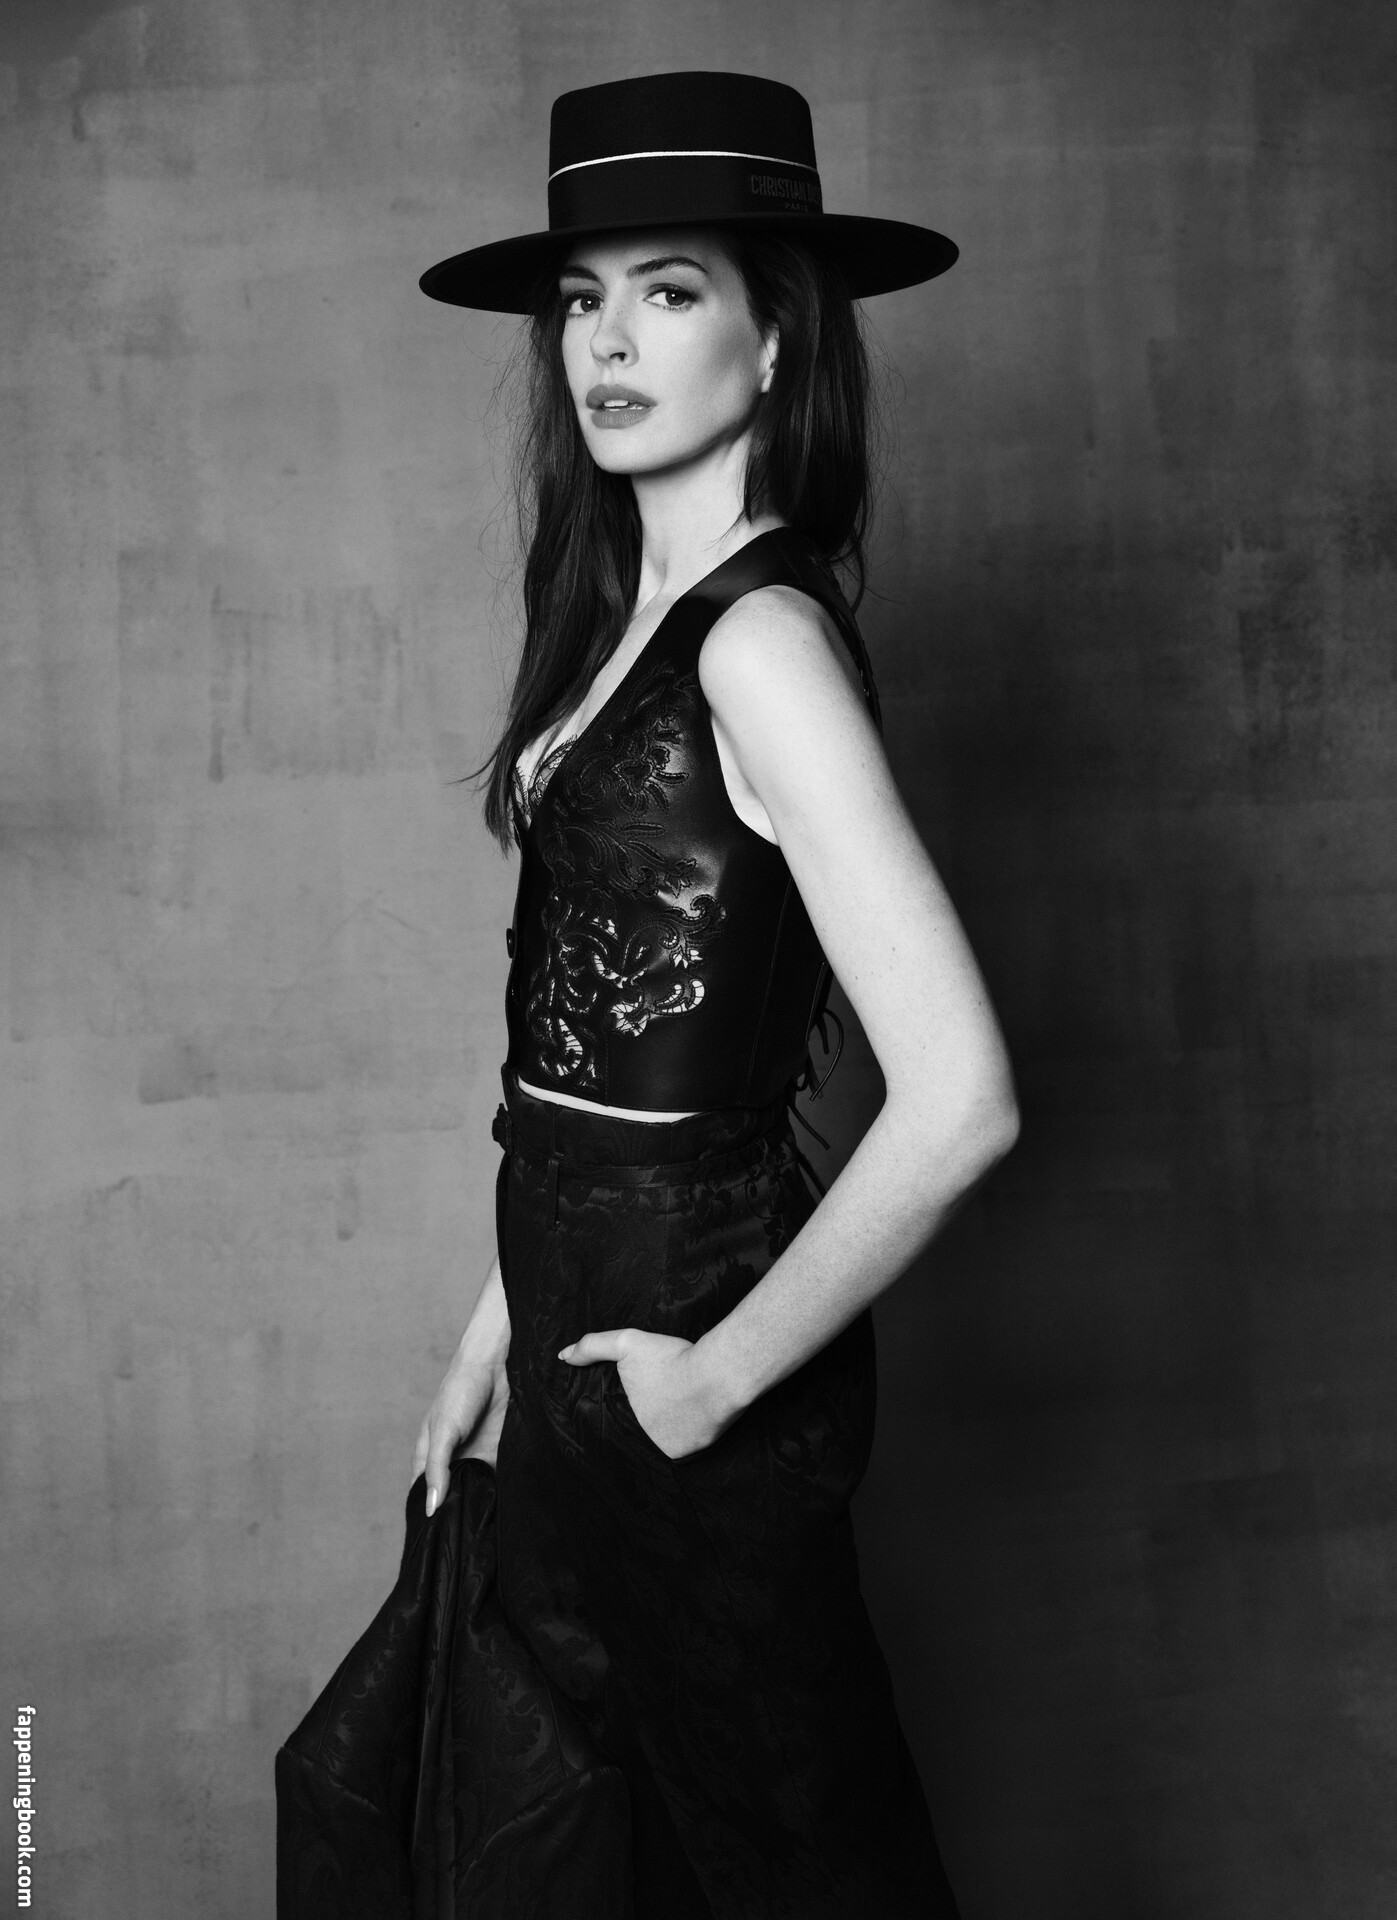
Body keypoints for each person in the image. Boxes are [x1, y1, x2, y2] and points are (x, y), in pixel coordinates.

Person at [284, 70, 1019, 1920]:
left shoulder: (760, 645)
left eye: (668, 291)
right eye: (579, 300)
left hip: (691, 1339)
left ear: (775, 343)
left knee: (781, 1849)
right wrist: (494, 1329)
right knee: (582, 1843)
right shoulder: (617, 620)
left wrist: (711, 1386)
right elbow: (582, 1065)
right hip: (574, 1328)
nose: (605, 343)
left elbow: (960, 1099)